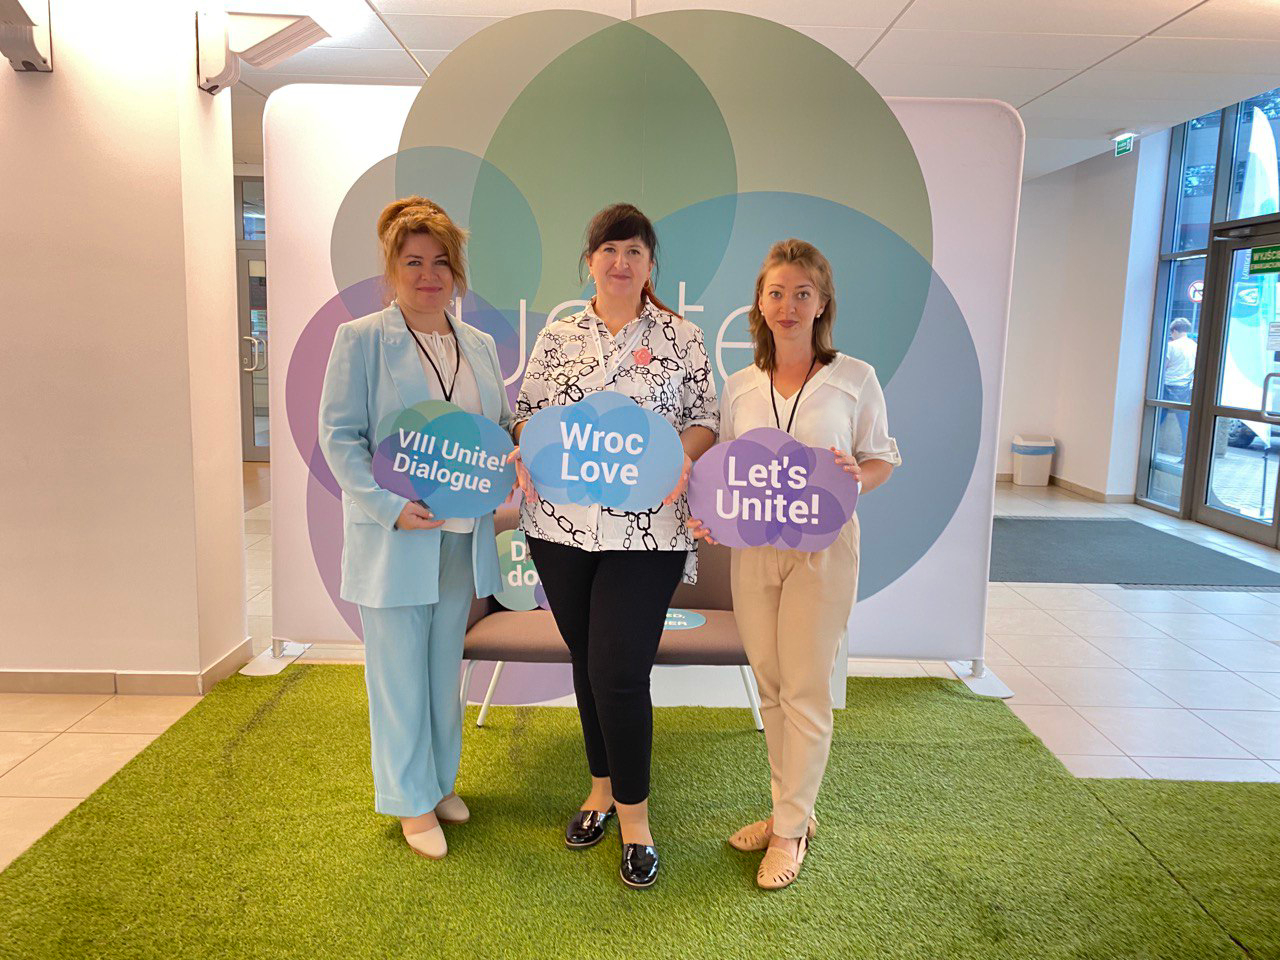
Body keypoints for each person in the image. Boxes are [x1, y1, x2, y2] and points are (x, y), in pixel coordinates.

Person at [509, 203, 718, 889]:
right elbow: (525, 415)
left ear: (650, 264)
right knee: (588, 660)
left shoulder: (682, 337)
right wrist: (527, 444)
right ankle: (599, 787)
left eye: (634, 251)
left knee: (619, 670)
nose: (621, 261)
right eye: (609, 249)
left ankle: (636, 821)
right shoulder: (559, 334)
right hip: (560, 526)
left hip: (648, 530)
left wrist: (680, 454)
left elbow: (705, 419)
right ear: (590, 260)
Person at [689, 239, 900, 890]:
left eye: (801, 294)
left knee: (806, 689)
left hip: (823, 552)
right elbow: (725, 470)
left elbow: (882, 458)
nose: (788, 306)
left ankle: (789, 831)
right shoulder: (740, 385)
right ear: (759, 302)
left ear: (822, 303)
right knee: (773, 686)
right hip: (754, 553)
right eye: (776, 293)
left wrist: (857, 476)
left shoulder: (854, 378)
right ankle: (792, 812)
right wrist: (708, 514)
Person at [318, 196, 512, 860]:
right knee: (398, 674)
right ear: (392, 268)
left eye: (440, 262)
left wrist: (510, 459)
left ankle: (438, 783)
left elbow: (496, 428)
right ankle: (408, 800)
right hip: (396, 537)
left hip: (460, 535)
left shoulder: (478, 345)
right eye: (413, 262)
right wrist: (387, 505)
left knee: (438, 670)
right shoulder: (362, 340)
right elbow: (339, 438)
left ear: (456, 270)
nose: (429, 275)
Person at [1161, 318, 1196, 460]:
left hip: (1167, 386)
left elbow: (1164, 366)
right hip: (1184, 388)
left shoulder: (1171, 346)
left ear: (1174, 331)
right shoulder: (1195, 346)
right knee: (1185, 425)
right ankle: (1185, 456)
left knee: (1155, 420)